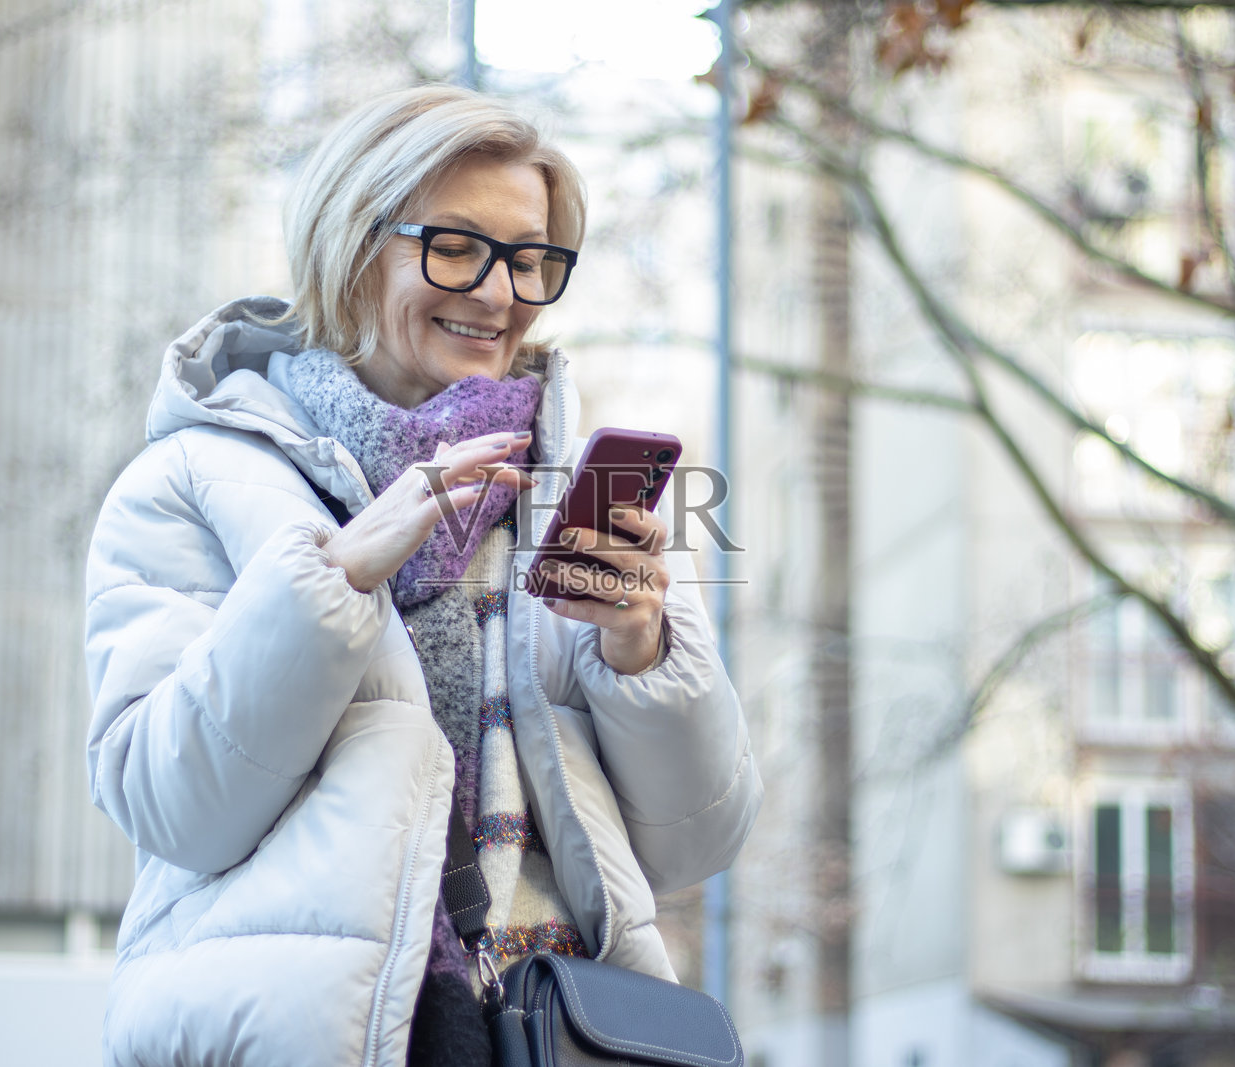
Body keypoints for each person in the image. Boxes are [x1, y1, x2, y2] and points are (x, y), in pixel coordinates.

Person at [83, 84, 762, 1067]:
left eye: (528, 259)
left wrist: (641, 654)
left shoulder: (576, 498)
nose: (498, 293)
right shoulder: (190, 486)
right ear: (350, 249)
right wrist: (338, 578)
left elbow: (695, 844)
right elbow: (171, 805)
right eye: (454, 247)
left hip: (556, 1033)